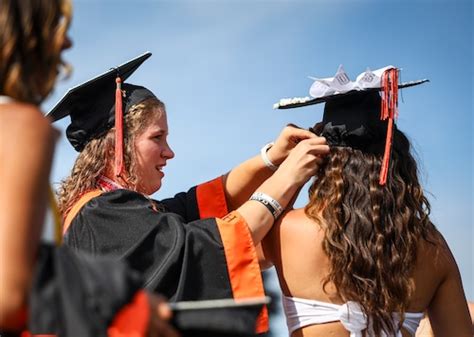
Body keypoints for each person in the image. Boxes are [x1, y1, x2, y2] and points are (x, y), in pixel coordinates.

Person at [50, 52, 330, 334]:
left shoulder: (107, 211)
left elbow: (200, 204)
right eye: (157, 137)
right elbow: (202, 246)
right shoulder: (102, 214)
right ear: (115, 146)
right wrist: (287, 177)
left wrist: (270, 158)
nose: (169, 152)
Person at [0, 1, 179, 336]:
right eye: (56, 28)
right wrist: (117, 295)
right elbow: (9, 296)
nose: (67, 44)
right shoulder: (18, 127)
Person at [264, 66, 472, 336]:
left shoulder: (283, 231)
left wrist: (285, 173)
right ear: (397, 159)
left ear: (319, 157)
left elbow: (230, 245)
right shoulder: (430, 246)